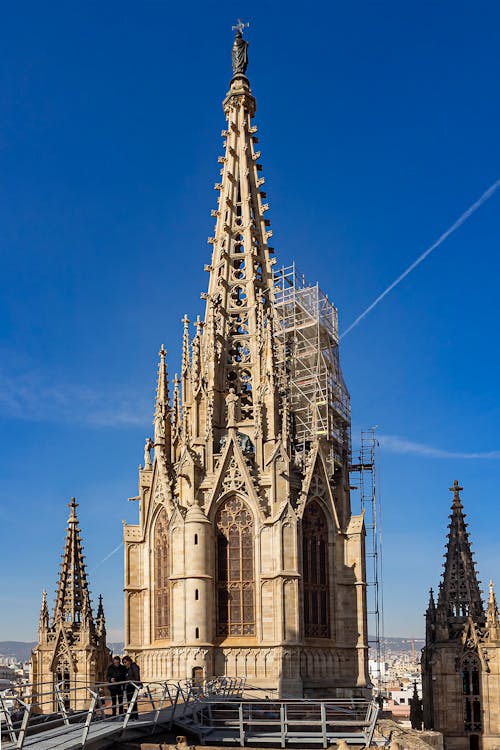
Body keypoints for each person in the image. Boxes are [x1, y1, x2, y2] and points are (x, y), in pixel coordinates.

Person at [122, 655, 141, 720]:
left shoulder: (134, 667)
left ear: (129, 661)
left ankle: (135, 716)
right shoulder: (127, 668)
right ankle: (132, 715)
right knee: (130, 702)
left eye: (125, 662)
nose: (124, 663)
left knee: (133, 702)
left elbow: (137, 677)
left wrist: (137, 684)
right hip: (129, 687)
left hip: (133, 686)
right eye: (123, 662)